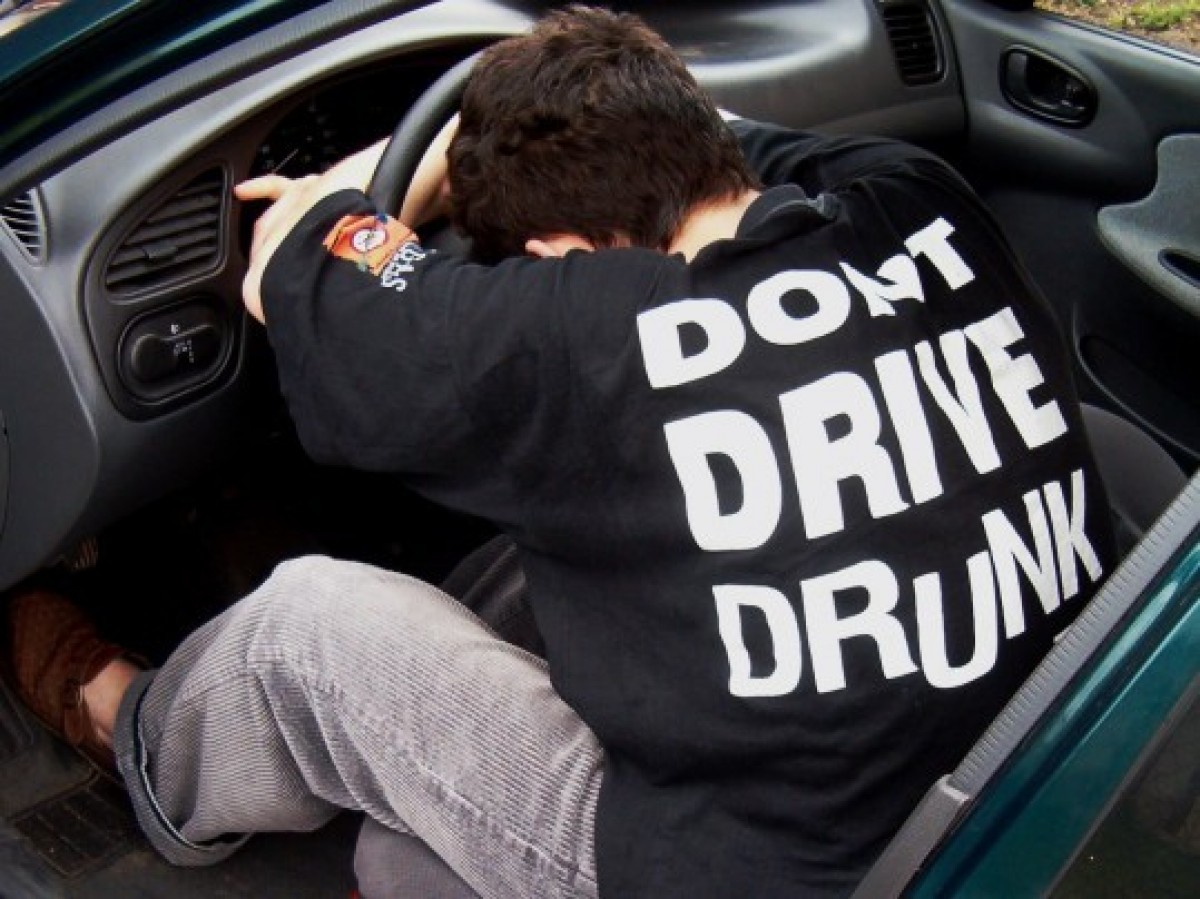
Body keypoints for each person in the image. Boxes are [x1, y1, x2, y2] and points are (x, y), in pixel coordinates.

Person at [5, 6, 1118, 897]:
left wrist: (366, 197)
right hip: (1025, 792)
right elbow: (722, 137)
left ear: (556, 252)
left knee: (310, 628)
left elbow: (303, 264)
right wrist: (513, 142)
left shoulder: (583, 342)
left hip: (758, 869)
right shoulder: (916, 201)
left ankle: (134, 737)